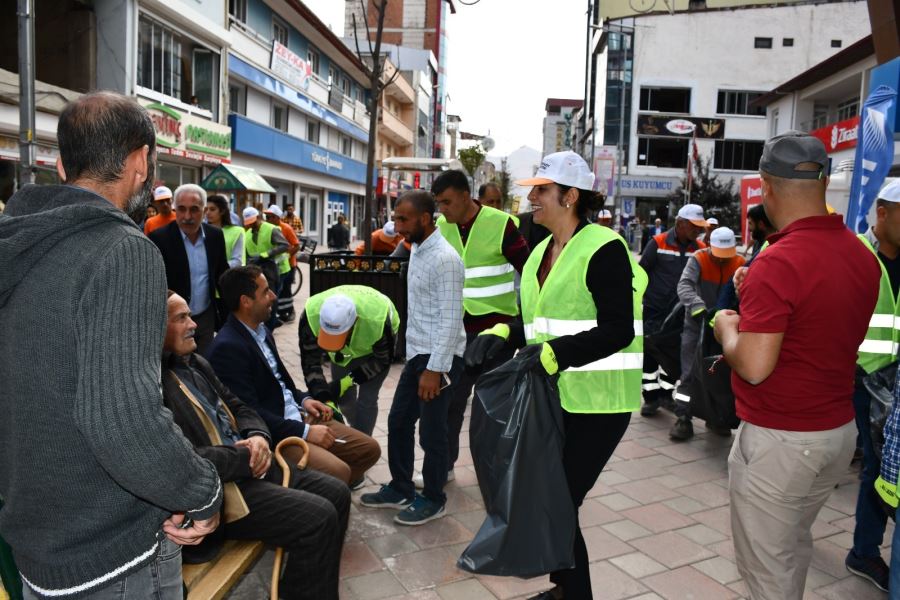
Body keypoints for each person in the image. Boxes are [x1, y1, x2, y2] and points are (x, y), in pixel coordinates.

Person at [0, 91, 222, 599]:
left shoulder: (19, 244)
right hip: (112, 554)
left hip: (39, 548)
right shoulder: (123, 252)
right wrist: (203, 491)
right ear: (141, 161)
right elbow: (123, 421)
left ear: (60, 166)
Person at [470, 151, 646, 600]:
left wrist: (551, 355)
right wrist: (501, 331)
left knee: (559, 501)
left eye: (542, 190)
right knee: (550, 499)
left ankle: (573, 593)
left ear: (570, 196)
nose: (532, 198)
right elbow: (538, 322)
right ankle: (565, 588)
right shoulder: (538, 255)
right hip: (555, 398)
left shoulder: (604, 249)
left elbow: (617, 329)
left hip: (599, 403)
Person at [714, 131, 880, 600]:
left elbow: (754, 366)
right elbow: (818, 326)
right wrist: (757, 298)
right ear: (823, 180)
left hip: (782, 440)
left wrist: (727, 324)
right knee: (789, 549)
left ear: (766, 186)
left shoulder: (780, 260)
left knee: (768, 573)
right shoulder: (860, 254)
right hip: (836, 432)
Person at [161, 291, 349, 600]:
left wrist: (259, 437)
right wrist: (245, 455)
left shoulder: (194, 361)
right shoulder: (154, 383)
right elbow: (180, 458)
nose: (194, 324)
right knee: (319, 518)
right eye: (182, 318)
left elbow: (240, 406)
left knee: (337, 493)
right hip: (221, 492)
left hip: (250, 464)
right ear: (155, 326)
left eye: (190, 315)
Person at [207, 266, 380, 486]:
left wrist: (306, 400)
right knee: (339, 472)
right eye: (266, 291)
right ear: (246, 301)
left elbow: (282, 385)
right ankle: (318, 495)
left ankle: (323, 489)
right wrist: (306, 432)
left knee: (370, 450)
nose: (274, 296)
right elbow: (249, 413)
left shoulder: (262, 332)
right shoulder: (228, 347)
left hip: (298, 416)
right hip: (278, 433)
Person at [360, 190, 465, 525]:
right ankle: (401, 487)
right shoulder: (416, 249)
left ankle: (434, 497)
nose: (396, 224)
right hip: (418, 354)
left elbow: (450, 319)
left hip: (440, 358)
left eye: (403, 218)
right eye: (395, 217)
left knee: (432, 433)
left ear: (425, 218)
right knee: (399, 422)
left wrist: (435, 369)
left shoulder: (446, 259)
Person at [432, 169, 530, 483]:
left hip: (495, 335)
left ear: (464, 196)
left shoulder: (501, 224)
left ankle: (496, 470)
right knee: (450, 403)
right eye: (438, 203)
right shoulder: (441, 227)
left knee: (492, 408)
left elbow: (529, 274)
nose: (442, 209)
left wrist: (525, 324)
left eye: (447, 202)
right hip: (455, 332)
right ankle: (444, 466)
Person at [846, 179, 900, 592]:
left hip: (897, 380)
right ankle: (864, 552)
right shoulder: (855, 255)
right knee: (877, 468)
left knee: (889, 467)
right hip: (865, 379)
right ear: (881, 212)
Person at [670, 226, 745, 440]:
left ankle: (716, 419)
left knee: (717, 375)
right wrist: (699, 308)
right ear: (710, 245)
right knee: (689, 374)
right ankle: (683, 418)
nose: (722, 261)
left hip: (726, 327)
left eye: (726, 256)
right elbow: (684, 286)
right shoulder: (699, 258)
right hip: (696, 324)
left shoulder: (739, 263)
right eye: (718, 255)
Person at [299, 286, 399, 437]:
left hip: (376, 348)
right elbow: (310, 364)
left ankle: (364, 447)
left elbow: (382, 360)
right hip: (347, 350)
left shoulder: (377, 321)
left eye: (337, 336)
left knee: (367, 399)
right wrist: (324, 397)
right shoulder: (310, 315)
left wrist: (351, 379)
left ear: (355, 322)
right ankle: (356, 433)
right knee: (345, 399)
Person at [639, 204, 707, 417]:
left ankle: (666, 395)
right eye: (694, 226)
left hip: (680, 314)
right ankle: (650, 399)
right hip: (654, 310)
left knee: (674, 355)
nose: (698, 230)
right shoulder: (657, 243)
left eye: (700, 226)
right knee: (649, 355)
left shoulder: (699, 248)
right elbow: (641, 273)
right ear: (680, 224)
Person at [149, 184, 228, 355]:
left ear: (204, 210)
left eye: (194, 210)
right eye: (181, 209)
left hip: (206, 318)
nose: (187, 216)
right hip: (174, 322)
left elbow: (222, 273)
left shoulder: (215, 236)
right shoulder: (159, 238)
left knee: (205, 366)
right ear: (174, 209)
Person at [243, 206, 290, 329]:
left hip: (273, 269)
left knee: (271, 299)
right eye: (248, 223)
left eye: (253, 222)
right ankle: (267, 321)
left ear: (258, 217)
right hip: (257, 271)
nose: (251, 225)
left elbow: (284, 245)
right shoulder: (247, 234)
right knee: (260, 299)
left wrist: (265, 254)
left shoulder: (271, 229)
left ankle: (270, 325)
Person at [264, 205, 301, 323]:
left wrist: (287, 256)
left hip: (289, 265)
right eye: (266, 217)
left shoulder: (286, 228)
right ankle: (279, 313)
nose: (267, 219)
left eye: (269, 217)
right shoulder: (268, 228)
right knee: (278, 290)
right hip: (275, 265)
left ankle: (289, 312)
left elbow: (296, 245)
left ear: (276, 217)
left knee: (286, 289)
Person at [206, 194, 245, 268]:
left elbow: (237, 261)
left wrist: (218, 267)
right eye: (206, 209)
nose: (208, 212)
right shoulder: (201, 230)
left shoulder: (237, 232)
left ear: (222, 211)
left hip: (227, 276)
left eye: (212, 209)